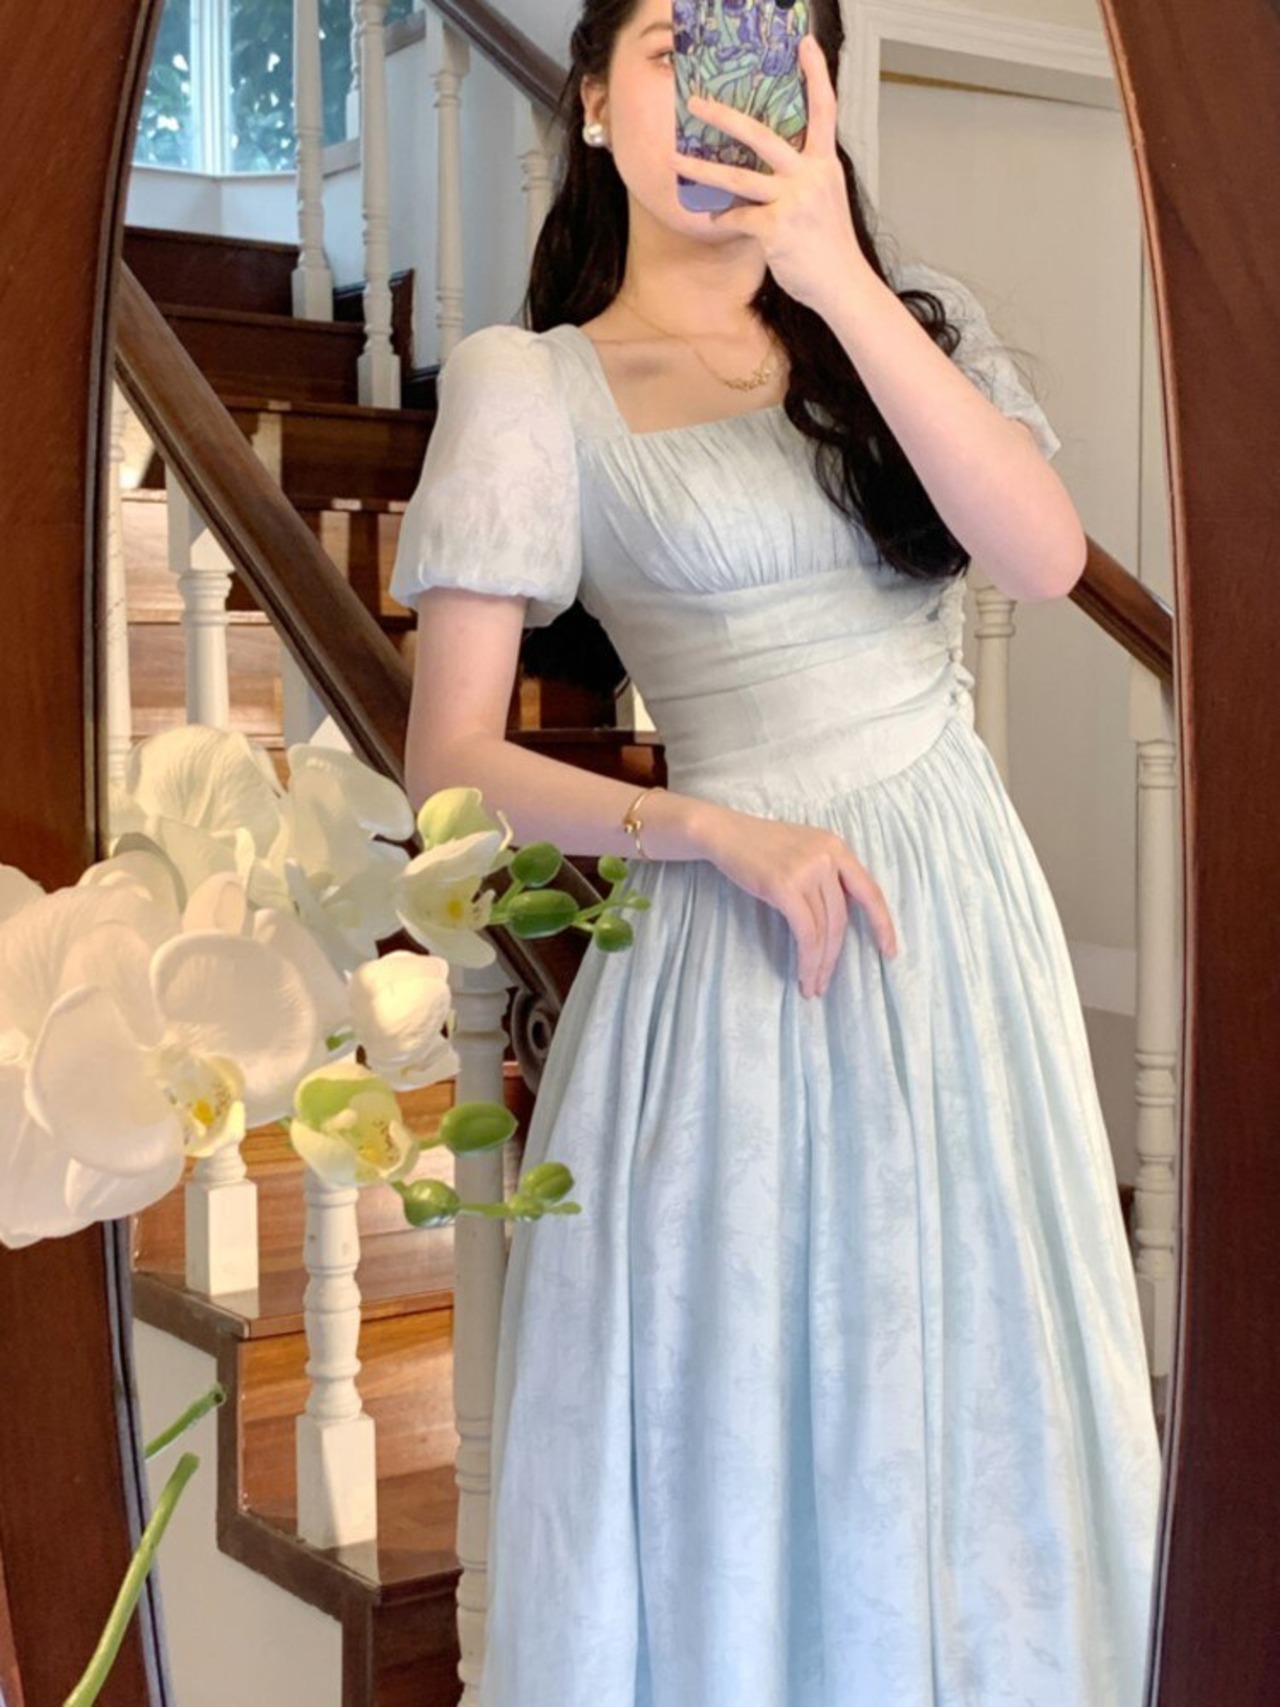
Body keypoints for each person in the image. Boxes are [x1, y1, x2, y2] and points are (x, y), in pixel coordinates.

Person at [390, 0, 1164, 1700]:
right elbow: (448, 755)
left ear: (811, 93)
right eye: (676, 44)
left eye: (760, 48)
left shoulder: (902, 318)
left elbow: (1040, 558)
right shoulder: (536, 384)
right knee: (745, 1401)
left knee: (977, 1384)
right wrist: (703, 826)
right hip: (735, 949)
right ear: (596, 102)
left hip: (956, 919)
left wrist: (835, 273)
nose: (715, 93)